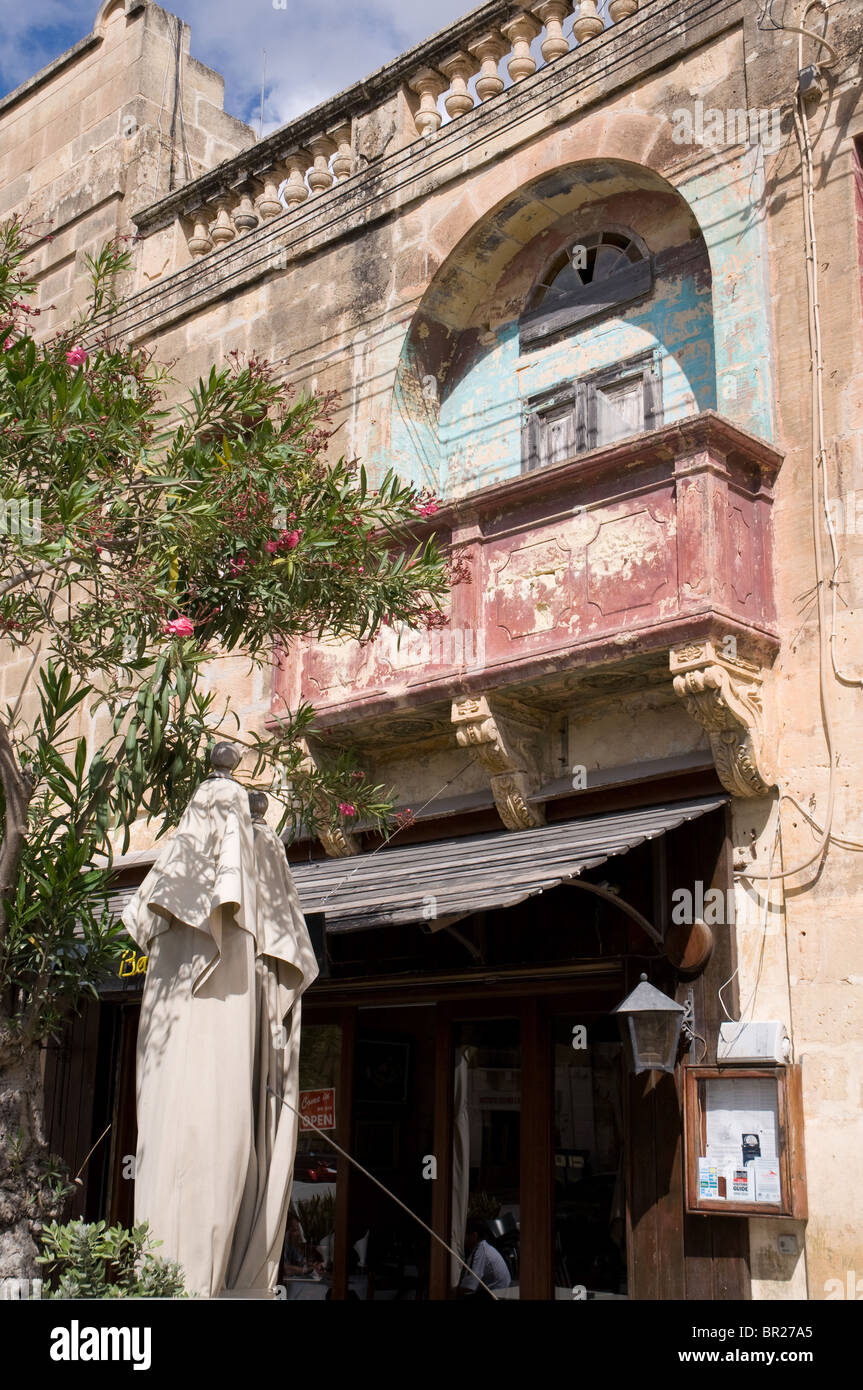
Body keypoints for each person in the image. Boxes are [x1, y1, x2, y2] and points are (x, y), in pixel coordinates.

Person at [456, 1218, 512, 1298]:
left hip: (498, 1294)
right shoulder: (484, 1248)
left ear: (474, 1236)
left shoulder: (479, 1253)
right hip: (503, 1290)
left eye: (464, 1235)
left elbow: (469, 1287)